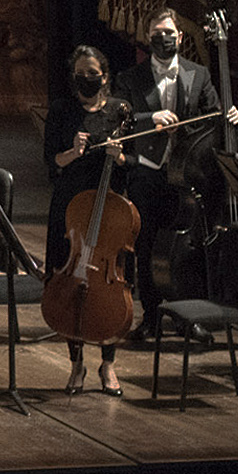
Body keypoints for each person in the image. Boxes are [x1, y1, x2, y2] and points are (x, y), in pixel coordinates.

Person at [114, 9, 238, 301]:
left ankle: (188, 310)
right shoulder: (130, 78)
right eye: (157, 34)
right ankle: (151, 315)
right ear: (148, 38)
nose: (164, 39)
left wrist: (229, 115)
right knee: (146, 244)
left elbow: (212, 117)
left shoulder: (199, 74)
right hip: (148, 172)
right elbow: (120, 116)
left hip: (188, 174)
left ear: (180, 37)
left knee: (189, 245)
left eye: (169, 33)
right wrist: (151, 117)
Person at [47, 44, 146, 396]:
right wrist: (73, 151)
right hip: (71, 207)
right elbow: (52, 164)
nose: (87, 80)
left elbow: (135, 163)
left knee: (110, 284)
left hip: (111, 210)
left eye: (94, 74)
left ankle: (108, 365)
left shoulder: (121, 110)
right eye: (81, 75)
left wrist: (119, 158)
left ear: (105, 75)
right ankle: (76, 364)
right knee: (68, 285)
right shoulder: (61, 110)